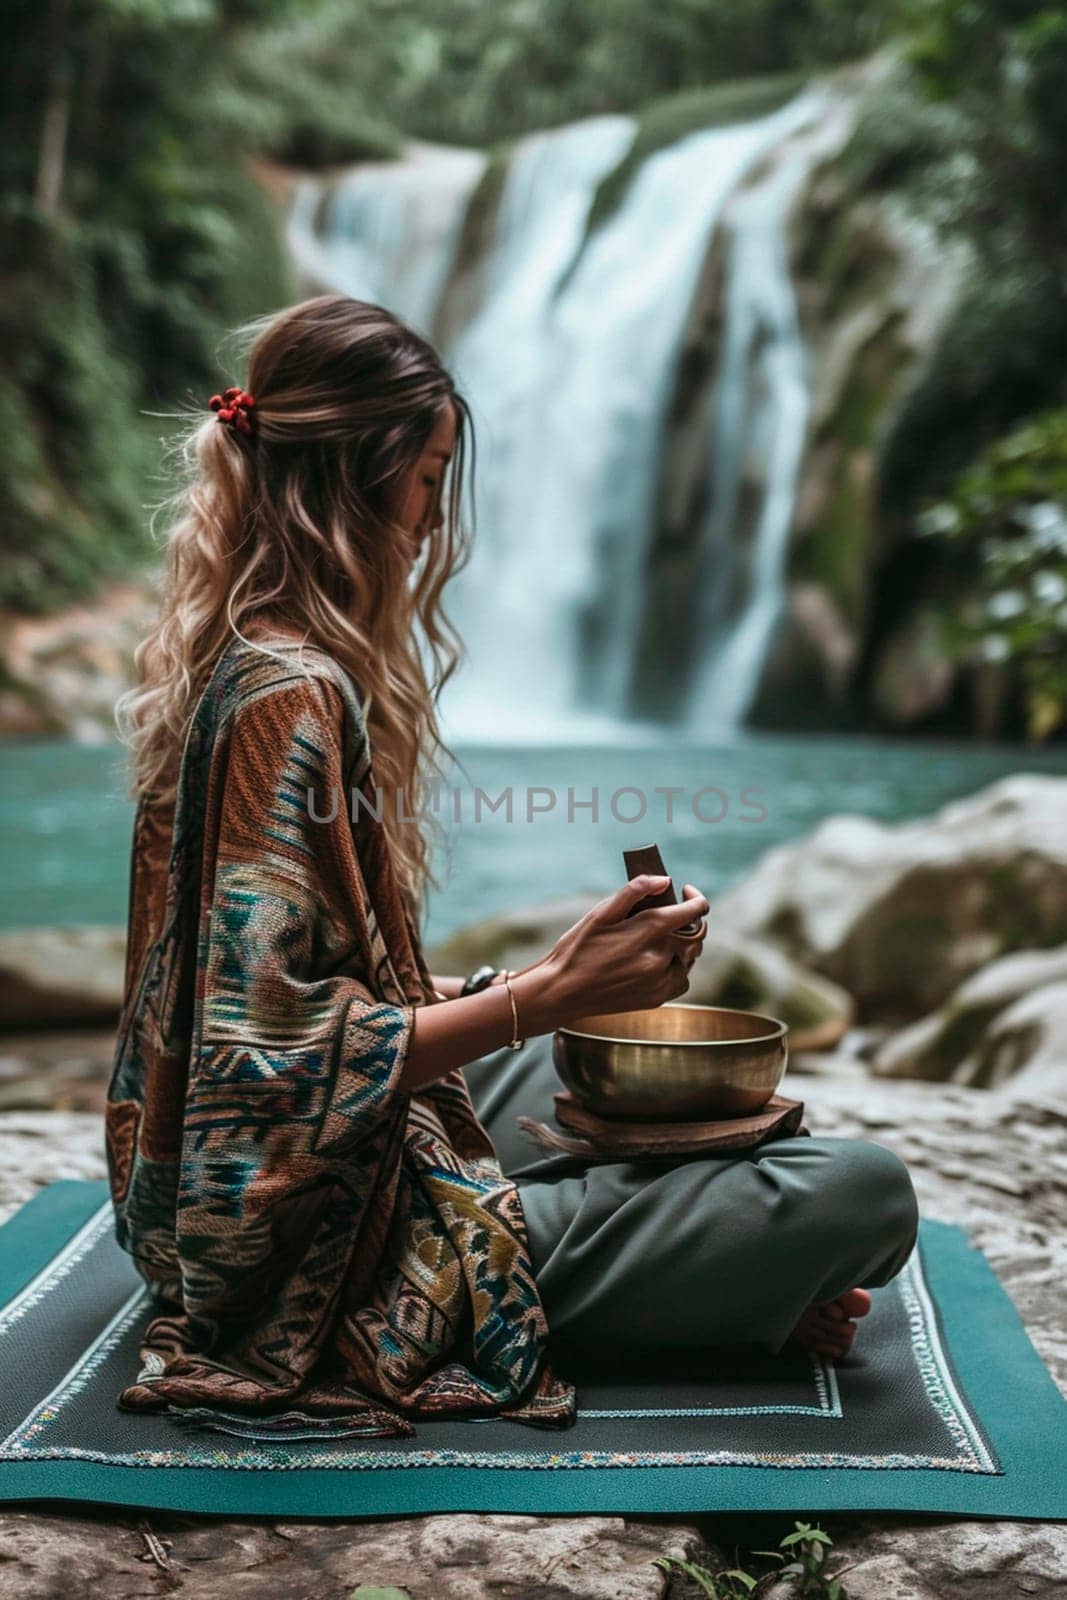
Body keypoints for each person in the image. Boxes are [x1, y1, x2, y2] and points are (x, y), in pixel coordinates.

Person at [106, 293, 918, 1440]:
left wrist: (541, 980)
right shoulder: (293, 696)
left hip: (195, 1198)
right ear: (359, 476)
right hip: (283, 1266)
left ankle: (674, 1257)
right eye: (429, 479)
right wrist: (540, 997)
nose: (435, 521)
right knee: (859, 1192)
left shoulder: (250, 658)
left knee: (577, 1081)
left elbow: (265, 1006)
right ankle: (678, 1282)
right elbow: (263, 1080)